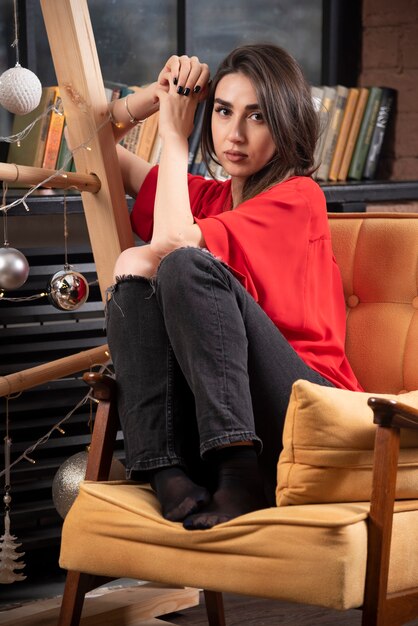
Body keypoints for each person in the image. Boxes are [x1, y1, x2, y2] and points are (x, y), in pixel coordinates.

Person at [105, 44, 363, 531]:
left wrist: (175, 136)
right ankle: (163, 469)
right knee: (135, 271)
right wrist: (162, 94)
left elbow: (174, 243)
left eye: (257, 116)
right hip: (228, 417)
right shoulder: (208, 198)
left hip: (311, 407)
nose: (234, 134)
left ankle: (240, 473)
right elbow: (101, 150)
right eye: (222, 111)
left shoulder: (297, 196)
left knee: (179, 263)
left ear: (285, 124)